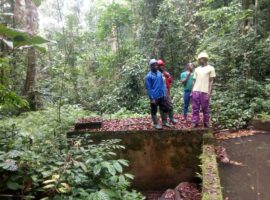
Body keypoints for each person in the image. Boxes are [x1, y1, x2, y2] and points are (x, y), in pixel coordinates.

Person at [192, 52, 216, 128]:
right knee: (195, 108)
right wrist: (192, 91)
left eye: (202, 59)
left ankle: (206, 123)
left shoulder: (211, 68)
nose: (200, 60)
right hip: (196, 91)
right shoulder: (196, 69)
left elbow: (211, 81)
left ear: (205, 59)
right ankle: (194, 122)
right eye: (199, 59)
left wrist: (209, 93)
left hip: (204, 91)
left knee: (205, 109)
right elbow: (194, 81)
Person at [145, 59, 169, 129]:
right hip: (154, 96)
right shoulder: (148, 76)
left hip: (161, 95)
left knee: (164, 108)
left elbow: (162, 84)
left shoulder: (159, 73)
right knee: (154, 110)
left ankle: (164, 122)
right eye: (153, 65)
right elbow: (149, 88)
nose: (155, 66)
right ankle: (156, 124)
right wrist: (151, 98)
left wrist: (164, 93)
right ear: (150, 66)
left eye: (156, 65)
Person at [157, 59, 178, 126]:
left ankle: (171, 118)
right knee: (162, 107)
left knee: (170, 105)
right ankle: (164, 121)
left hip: (167, 91)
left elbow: (170, 81)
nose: (162, 67)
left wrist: (168, 76)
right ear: (158, 66)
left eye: (162, 65)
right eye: (160, 66)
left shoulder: (165, 73)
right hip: (160, 93)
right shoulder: (157, 74)